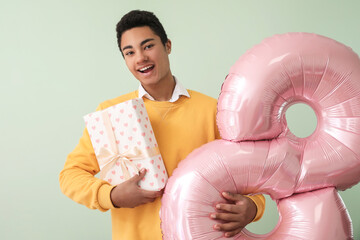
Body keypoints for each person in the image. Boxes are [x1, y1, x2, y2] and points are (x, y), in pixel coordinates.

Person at [59, 10, 265, 239]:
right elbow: (70, 175)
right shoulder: (110, 115)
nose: (140, 58)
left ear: (167, 45)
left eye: (148, 46)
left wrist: (253, 207)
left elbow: (252, 179)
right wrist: (112, 196)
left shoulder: (213, 111)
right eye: (130, 52)